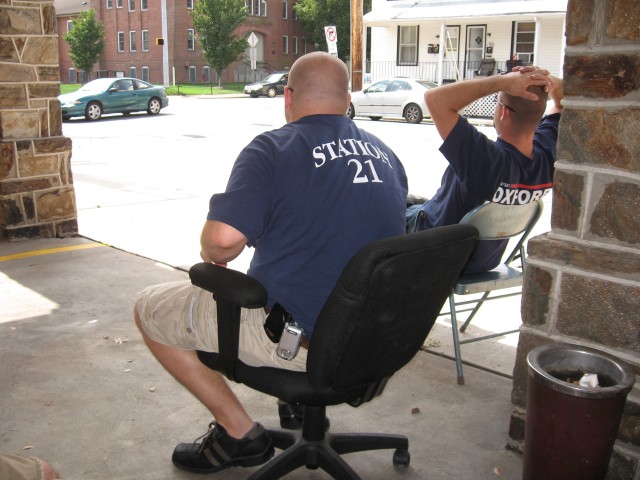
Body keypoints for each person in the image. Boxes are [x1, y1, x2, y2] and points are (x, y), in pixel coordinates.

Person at [134, 51, 408, 475]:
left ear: (288, 97)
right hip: (374, 343)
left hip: (299, 344)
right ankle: (296, 406)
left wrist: (210, 247)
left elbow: (223, 244)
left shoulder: (273, 148)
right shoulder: (388, 157)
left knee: (150, 308)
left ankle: (240, 434)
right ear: (347, 98)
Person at [406, 66, 564, 273]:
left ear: (504, 111)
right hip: (485, 260)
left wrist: (501, 82)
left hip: (437, 252)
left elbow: (435, 98)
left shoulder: (484, 159)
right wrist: (543, 78)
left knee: (378, 202)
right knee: (414, 200)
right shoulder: (547, 155)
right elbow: (564, 102)